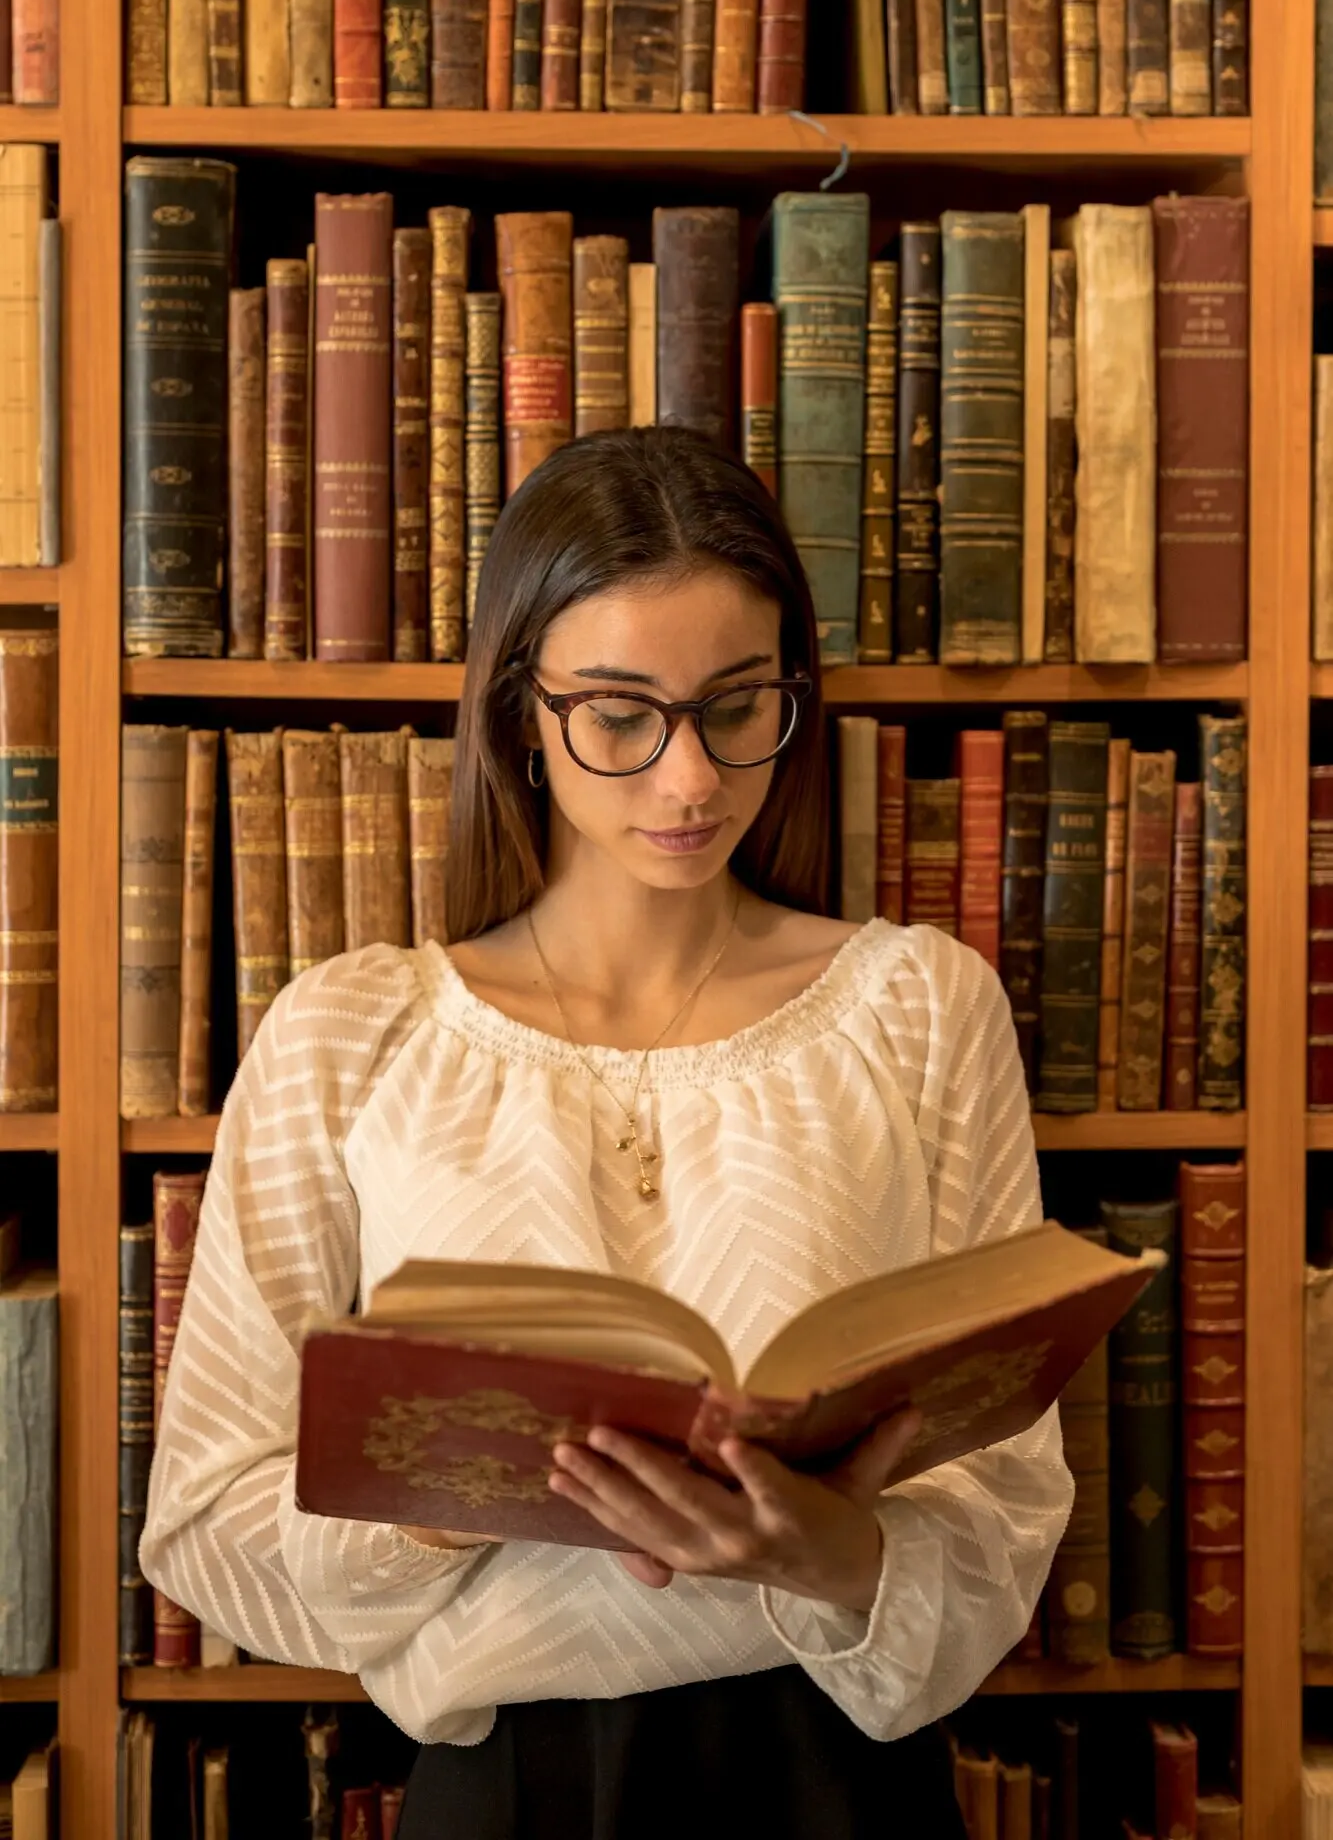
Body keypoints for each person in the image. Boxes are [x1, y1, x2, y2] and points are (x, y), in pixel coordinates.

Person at [141, 427, 1073, 1837]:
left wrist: (841, 1551)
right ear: (522, 706)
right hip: (511, 1786)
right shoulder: (351, 1038)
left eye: (738, 706)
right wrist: (442, 1500)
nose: (690, 781)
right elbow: (207, 1523)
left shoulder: (918, 1010)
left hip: (839, 1779)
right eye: (623, 715)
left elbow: (1011, 1504)